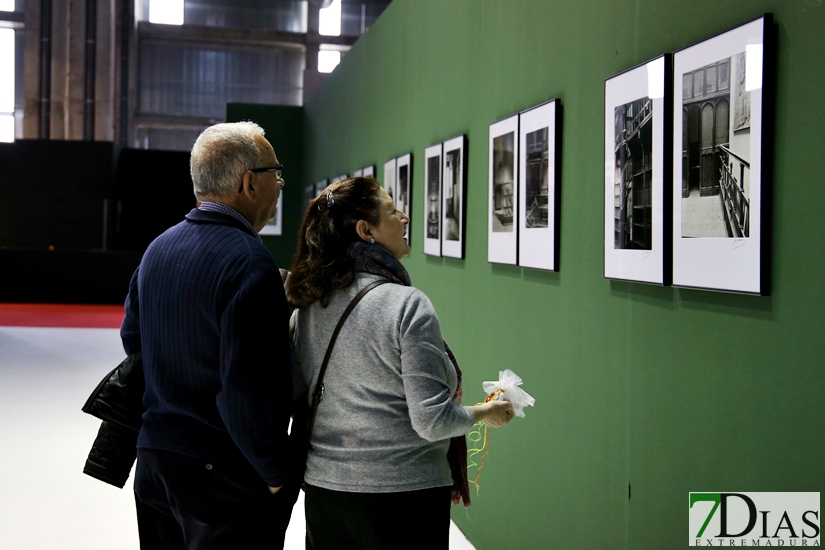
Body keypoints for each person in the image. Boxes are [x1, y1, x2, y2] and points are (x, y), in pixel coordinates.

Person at [287, 177, 514, 550]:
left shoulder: (308, 306)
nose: (405, 216)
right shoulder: (407, 305)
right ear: (366, 230)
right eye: (392, 210)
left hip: (326, 494)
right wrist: (482, 412)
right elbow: (433, 421)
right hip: (402, 498)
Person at [120, 121, 296, 549]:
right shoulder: (250, 262)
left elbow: (133, 341)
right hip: (222, 474)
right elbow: (247, 388)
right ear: (249, 183)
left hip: (155, 462)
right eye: (277, 171)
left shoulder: (159, 247)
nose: (281, 182)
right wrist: (275, 474)